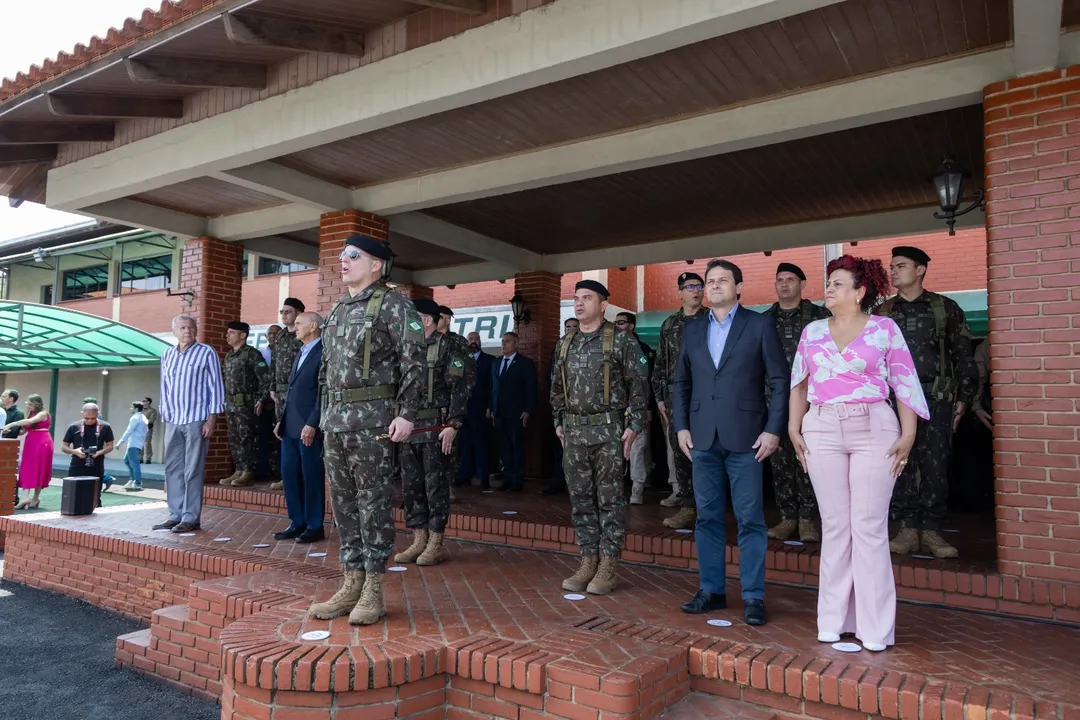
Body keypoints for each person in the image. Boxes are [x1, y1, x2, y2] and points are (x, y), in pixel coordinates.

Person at [788, 255, 927, 652]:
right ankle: (832, 620)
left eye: (836, 283)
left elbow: (904, 381)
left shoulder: (885, 328)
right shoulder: (812, 331)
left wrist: (909, 432)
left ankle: (875, 628)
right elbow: (799, 384)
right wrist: (793, 427)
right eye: (828, 283)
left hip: (875, 428)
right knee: (834, 527)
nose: (827, 289)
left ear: (860, 291)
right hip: (822, 428)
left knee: (868, 528)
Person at [308, 234, 424, 626]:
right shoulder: (339, 307)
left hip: (374, 419)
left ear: (376, 264)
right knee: (343, 505)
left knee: (373, 504)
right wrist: (321, 415)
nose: (344, 261)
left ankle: (373, 587)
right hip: (337, 421)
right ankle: (351, 581)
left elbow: (415, 361)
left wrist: (407, 413)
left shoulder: (393, 303)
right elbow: (326, 372)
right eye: (342, 256)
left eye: (353, 256)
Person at [673, 259, 788, 625]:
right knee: (707, 517)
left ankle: (753, 595)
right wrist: (681, 426)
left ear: (739, 288)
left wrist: (773, 429)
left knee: (750, 519)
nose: (715, 285)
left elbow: (779, 381)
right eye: (710, 281)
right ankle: (712, 590)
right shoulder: (691, 330)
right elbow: (680, 383)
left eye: (724, 280)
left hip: (747, 438)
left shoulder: (759, 324)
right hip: (702, 437)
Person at [553, 280, 648, 595]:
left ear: (604, 304)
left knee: (609, 499)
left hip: (608, 432)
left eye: (587, 298)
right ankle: (587, 558)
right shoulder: (565, 342)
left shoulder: (621, 341)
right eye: (576, 298)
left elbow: (639, 386)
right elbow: (556, 387)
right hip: (575, 432)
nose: (579, 303)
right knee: (580, 500)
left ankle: (608, 562)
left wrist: (634, 426)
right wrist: (558, 422)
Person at [881, 246, 977, 559]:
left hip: (936, 397)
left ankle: (932, 531)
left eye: (901, 265)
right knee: (900, 463)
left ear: (920, 270)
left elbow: (963, 355)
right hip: (895, 401)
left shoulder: (944, 308)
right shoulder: (882, 312)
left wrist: (965, 397)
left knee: (936, 464)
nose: (894, 271)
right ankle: (908, 528)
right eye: (892, 266)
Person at [395, 298, 469, 566]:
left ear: (426, 320)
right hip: (409, 429)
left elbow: (460, 389)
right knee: (412, 487)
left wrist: (453, 424)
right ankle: (419, 539)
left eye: (412, 318)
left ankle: (435, 542)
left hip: (436, 429)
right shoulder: (406, 348)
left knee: (435, 487)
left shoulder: (450, 346)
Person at [765, 263, 830, 543]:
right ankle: (787, 516)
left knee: (808, 458)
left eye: (790, 280)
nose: (784, 285)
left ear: (802, 284)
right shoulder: (765, 320)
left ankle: (807, 519)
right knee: (779, 460)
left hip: (812, 399)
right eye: (779, 280)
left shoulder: (819, 317)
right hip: (775, 400)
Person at [153, 314, 225, 534]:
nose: (187, 331)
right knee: (172, 469)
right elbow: (164, 387)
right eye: (183, 327)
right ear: (174, 331)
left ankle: (190, 517)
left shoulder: (206, 352)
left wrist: (211, 419)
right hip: (173, 420)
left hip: (196, 419)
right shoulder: (167, 355)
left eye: (191, 327)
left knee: (193, 469)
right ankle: (175, 514)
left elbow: (216, 386)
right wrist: (165, 414)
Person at [653, 272, 708, 521]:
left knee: (707, 449)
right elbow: (660, 364)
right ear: (679, 293)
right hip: (676, 397)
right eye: (688, 287)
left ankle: (708, 506)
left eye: (698, 286)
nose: (694, 290)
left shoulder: (712, 319)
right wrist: (659, 397)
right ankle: (687, 505)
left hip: (707, 394)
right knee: (680, 450)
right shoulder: (669, 324)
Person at [274, 311, 327, 544]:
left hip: (308, 427)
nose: (294, 327)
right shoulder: (301, 351)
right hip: (290, 427)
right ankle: (297, 522)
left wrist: (312, 423)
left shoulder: (324, 352)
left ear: (313, 326)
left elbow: (322, 393)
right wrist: (282, 420)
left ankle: (315, 525)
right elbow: (294, 391)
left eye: (298, 323)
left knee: (311, 475)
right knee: (289, 474)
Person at [220, 321, 271, 488]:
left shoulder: (253, 354)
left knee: (247, 437)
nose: (227, 335)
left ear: (243, 335)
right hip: (231, 404)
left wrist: (261, 399)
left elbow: (264, 378)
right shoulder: (229, 356)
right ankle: (239, 469)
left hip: (247, 404)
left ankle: (248, 472)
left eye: (231, 332)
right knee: (234, 438)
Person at [615, 311, 655, 505]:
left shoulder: (643, 350)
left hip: (636, 407)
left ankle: (637, 488)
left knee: (637, 449)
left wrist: (646, 407)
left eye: (621, 322)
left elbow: (646, 380)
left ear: (631, 326)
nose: (617, 325)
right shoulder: (612, 347)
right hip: (615, 408)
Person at [436, 305, 475, 504]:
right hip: (433, 403)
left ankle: (449, 484)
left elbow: (467, 372)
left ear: (448, 319)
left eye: (441, 317)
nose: (438, 320)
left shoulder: (458, 342)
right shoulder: (429, 340)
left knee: (449, 447)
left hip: (453, 401)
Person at [489, 331, 536, 492]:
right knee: (504, 448)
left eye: (507, 341)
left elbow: (531, 389)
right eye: (502, 341)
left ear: (516, 344)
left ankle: (517, 480)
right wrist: (491, 407)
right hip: (499, 412)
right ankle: (507, 478)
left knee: (517, 447)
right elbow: (493, 388)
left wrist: (528, 409)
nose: (503, 344)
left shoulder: (525, 363)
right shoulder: (496, 363)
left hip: (517, 413)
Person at [269, 301, 305, 490]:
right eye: (281, 311)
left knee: (297, 432)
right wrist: (272, 386)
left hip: (298, 390)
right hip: (281, 390)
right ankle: (286, 475)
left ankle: (298, 473)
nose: (283, 314)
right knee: (281, 432)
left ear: (298, 313)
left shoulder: (302, 334)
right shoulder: (281, 335)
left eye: (287, 311)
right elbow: (274, 361)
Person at [542, 317, 580, 495]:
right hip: (561, 408)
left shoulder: (586, 346)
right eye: (567, 327)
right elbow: (552, 379)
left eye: (574, 326)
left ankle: (577, 485)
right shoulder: (559, 348)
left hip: (580, 408)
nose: (570, 329)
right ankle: (559, 481)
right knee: (560, 447)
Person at [456, 330, 495, 490]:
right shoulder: (459, 360)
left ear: (480, 341)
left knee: (481, 443)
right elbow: (456, 383)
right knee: (464, 442)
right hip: (463, 408)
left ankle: (483, 477)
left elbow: (493, 387)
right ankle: (464, 475)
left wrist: (490, 406)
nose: (473, 341)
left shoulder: (490, 360)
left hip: (481, 408)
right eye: (470, 339)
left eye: (476, 339)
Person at [61, 403, 115, 509]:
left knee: (95, 495)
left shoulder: (105, 427)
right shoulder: (74, 427)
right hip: (77, 465)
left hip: (96, 465)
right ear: (82, 414)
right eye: (86, 418)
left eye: (93, 418)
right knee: (73, 493)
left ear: (98, 414)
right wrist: (75, 451)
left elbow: (110, 446)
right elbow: (64, 447)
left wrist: (99, 453)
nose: (89, 421)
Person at [4, 394, 51, 509]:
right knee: (28, 467)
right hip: (31, 441)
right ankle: (25, 497)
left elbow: (31, 421)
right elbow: (23, 431)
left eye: (31, 404)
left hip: (42, 442)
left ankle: (35, 497)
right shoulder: (30, 413)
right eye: (28, 404)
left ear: (37, 404)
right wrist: (9, 432)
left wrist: (11, 424)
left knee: (40, 468)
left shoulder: (43, 413)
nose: (29, 406)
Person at [118, 401, 149, 490]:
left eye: (132, 407)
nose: (130, 409)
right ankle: (132, 479)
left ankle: (137, 483)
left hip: (134, 443)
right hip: (138, 443)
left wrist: (120, 442)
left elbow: (129, 430)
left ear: (136, 408)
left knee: (135, 464)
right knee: (127, 460)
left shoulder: (135, 418)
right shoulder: (143, 417)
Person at [141, 397, 158, 464]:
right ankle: (140, 458)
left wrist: (143, 420)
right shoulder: (140, 410)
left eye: (144, 401)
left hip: (148, 428)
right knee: (140, 443)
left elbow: (152, 420)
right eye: (143, 401)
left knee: (147, 443)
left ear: (148, 402)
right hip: (140, 429)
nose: (143, 402)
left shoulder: (152, 410)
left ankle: (148, 458)